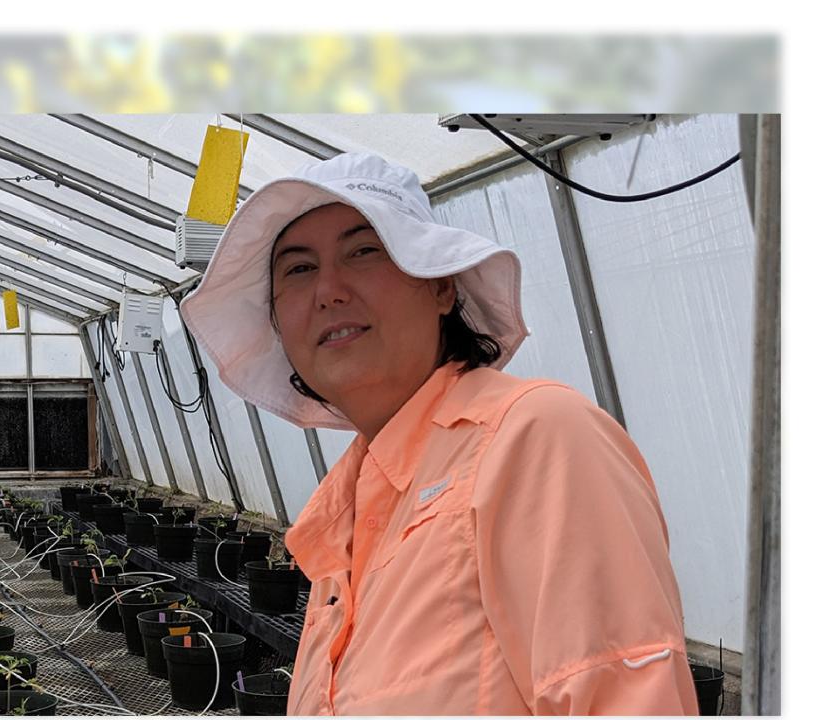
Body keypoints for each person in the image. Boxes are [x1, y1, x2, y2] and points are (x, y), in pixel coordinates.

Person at [179, 153, 698, 715]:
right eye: (299, 269)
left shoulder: (533, 440)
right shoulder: (346, 508)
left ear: (440, 287)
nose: (329, 289)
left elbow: (621, 696)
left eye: (364, 251)